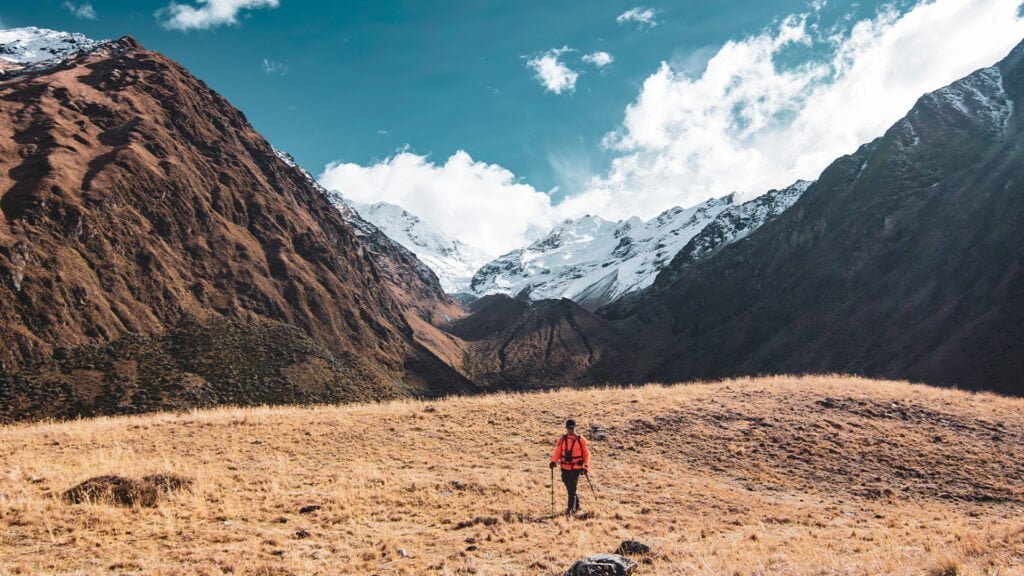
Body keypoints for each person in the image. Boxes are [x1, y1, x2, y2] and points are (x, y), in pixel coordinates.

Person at [549, 419, 590, 516]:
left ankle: (570, 510)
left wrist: (586, 466)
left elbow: (587, 454)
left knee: (572, 486)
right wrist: (553, 461)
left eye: (572, 428)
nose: (570, 430)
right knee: (568, 485)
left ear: (575, 428)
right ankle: (577, 505)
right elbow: (558, 452)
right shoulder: (562, 440)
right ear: (566, 428)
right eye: (569, 428)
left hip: (576, 467)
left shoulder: (581, 440)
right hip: (564, 466)